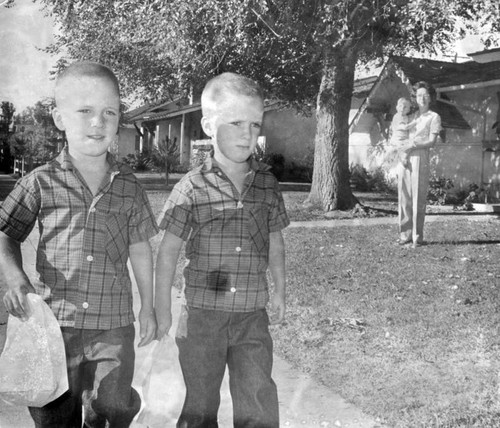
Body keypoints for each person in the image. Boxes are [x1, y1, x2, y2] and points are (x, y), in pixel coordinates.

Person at [0, 61, 159, 427]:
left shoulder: (130, 187)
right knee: (54, 411)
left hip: (113, 323)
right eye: (85, 111)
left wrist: (148, 306)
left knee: (115, 405)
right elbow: (5, 233)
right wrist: (14, 278)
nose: (97, 122)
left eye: (109, 112)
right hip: (56, 323)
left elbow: (140, 249)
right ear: (59, 118)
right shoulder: (40, 182)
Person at [155, 72, 289, 427]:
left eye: (255, 124)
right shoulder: (191, 188)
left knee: (258, 399)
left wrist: (280, 290)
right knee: (199, 404)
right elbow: (168, 250)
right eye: (236, 123)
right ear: (209, 125)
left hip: (251, 316)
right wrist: (163, 308)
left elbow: (275, 240)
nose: (247, 134)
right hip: (202, 318)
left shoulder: (267, 185)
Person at [397, 81, 441, 248]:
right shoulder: (411, 116)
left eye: (425, 95)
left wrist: (413, 145)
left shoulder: (434, 117)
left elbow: (431, 141)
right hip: (404, 157)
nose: (421, 98)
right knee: (404, 197)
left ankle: (416, 237)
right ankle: (404, 235)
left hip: (420, 157)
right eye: (419, 95)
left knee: (417, 198)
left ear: (430, 98)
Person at [387, 97, 416, 168]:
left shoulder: (405, 116)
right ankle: (403, 157)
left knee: (412, 144)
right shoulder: (397, 116)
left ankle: (402, 156)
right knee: (411, 145)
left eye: (405, 107)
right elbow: (404, 127)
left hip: (403, 139)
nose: (402, 108)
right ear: (397, 107)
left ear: (409, 109)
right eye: (400, 106)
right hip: (397, 139)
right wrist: (415, 122)